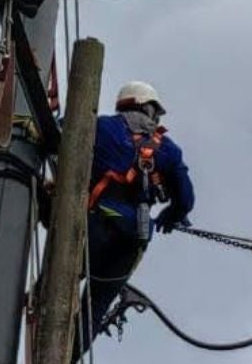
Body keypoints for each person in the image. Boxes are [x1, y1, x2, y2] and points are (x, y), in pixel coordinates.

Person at [76, 80, 194, 355]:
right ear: (150, 109)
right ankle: (66, 357)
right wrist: (170, 215)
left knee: (55, 285)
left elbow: (59, 140)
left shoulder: (100, 128)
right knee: (93, 310)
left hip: (93, 229)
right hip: (131, 239)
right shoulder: (169, 150)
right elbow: (185, 200)